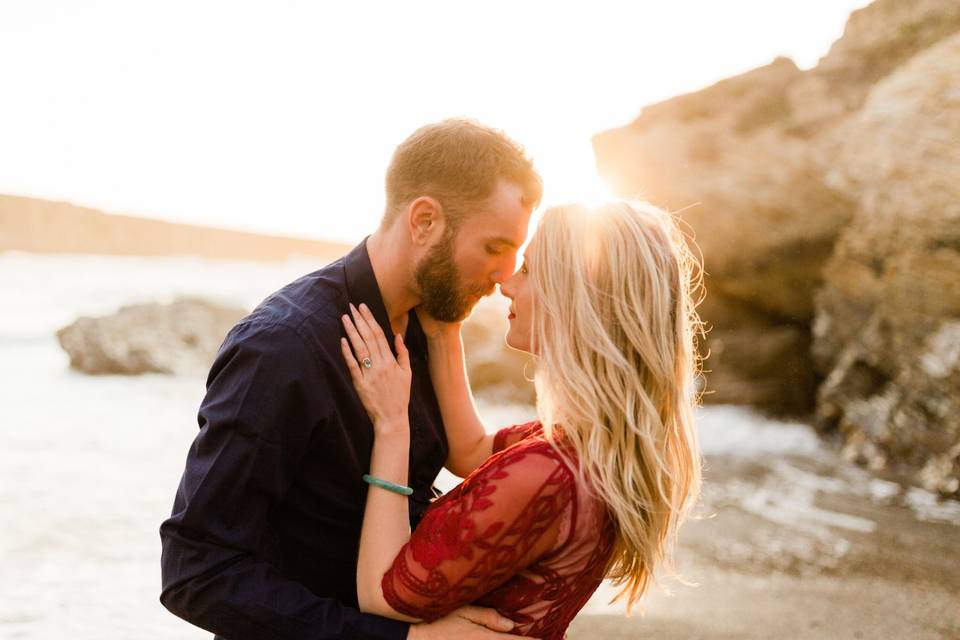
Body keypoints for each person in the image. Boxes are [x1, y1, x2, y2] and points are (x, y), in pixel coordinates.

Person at [159, 118, 542, 640]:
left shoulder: (431, 325)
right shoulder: (283, 347)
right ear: (424, 220)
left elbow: (456, 461)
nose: (504, 276)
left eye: (515, 253)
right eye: (495, 247)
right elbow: (196, 570)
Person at [339, 201, 704, 639]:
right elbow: (470, 450)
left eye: (529, 270)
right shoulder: (590, 447)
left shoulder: (547, 474)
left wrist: (392, 424)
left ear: (575, 300)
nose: (506, 285)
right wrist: (444, 330)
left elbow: (380, 594)